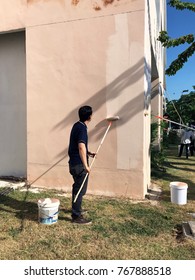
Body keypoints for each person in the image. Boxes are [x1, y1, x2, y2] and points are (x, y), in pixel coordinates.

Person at [68, 105, 95, 225]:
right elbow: (80, 146)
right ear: (89, 116)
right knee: (80, 190)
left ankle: (77, 209)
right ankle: (76, 216)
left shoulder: (77, 125)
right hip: (79, 165)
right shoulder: (82, 128)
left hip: (74, 163)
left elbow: (79, 146)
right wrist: (86, 165)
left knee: (77, 188)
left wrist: (88, 153)